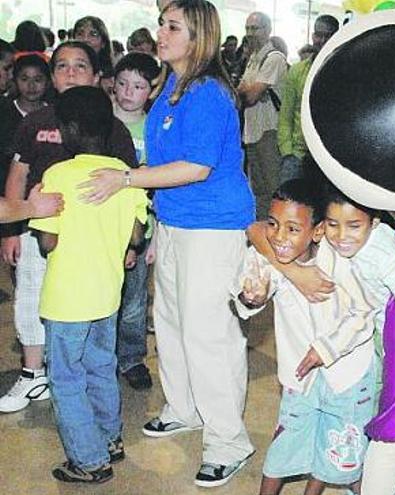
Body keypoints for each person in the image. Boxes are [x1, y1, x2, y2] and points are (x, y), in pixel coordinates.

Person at [78, 0, 256, 487]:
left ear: (197, 35)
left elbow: (196, 168)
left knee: (209, 335)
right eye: (162, 23)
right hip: (178, 222)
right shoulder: (172, 85)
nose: (161, 31)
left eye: (172, 25)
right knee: (171, 322)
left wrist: (126, 180)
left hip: (214, 227)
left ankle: (228, 440)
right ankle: (185, 407)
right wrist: (158, 224)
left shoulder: (210, 93)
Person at [248, 178, 395, 495]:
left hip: (394, 341)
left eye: (354, 226)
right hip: (353, 343)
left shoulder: (384, 255)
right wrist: (295, 273)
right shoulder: (326, 241)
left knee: (370, 427)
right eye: (333, 225)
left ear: (375, 221)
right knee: (343, 429)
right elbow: (256, 231)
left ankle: (375, 481)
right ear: (321, 227)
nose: (342, 237)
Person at [0, 41, 137, 414]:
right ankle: (33, 374)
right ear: (51, 77)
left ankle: (89, 377)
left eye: (81, 66)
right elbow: (19, 173)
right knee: (30, 297)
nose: (71, 72)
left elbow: (131, 185)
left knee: (94, 310)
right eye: (62, 66)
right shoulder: (35, 123)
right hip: (38, 228)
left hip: (94, 242)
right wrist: (12, 229)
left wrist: (130, 244)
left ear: (97, 77)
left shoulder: (114, 130)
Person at [29, 85, 147, 484]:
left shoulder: (57, 175)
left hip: (66, 300)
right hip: (107, 295)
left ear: (69, 129)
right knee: (101, 366)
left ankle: (90, 459)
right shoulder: (123, 178)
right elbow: (135, 237)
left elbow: (48, 241)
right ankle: (111, 438)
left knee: (66, 379)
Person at [236, 179, 378, 495]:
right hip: (299, 374)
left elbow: (363, 314)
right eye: (273, 224)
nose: (279, 236)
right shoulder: (265, 256)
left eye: (292, 229)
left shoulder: (339, 260)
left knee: (337, 445)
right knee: (286, 439)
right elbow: (251, 287)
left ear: (316, 232)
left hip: (348, 374)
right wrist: (252, 297)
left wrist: (324, 350)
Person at [112, 51, 161, 390]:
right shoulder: (101, 122)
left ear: (151, 91)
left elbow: (160, 184)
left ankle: (131, 357)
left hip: (140, 229)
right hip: (101, 228)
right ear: (111, 85)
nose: (129, 92)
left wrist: (153, 236)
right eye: (123, 84)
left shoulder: (155, 128)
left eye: (139, 86)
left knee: (133, 300)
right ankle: (99, 357)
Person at [237, 11, 289, 218]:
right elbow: (238, 93)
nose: (250, 33)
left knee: (272, 187)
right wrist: (249, 90)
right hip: (251, 131)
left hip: (269, 131)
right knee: (257, 188)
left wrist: (249, 90)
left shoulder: (274, 58)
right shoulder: (252, 59)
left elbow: (249, 96)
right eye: (247, 28)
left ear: (268, 30)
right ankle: (262, 230)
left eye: (255, 28)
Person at [277, 15, 338, 182]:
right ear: (313, 36)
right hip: (297, 155)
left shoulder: (344, 72)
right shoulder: (297, 71)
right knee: (290, 207)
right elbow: (286, 115)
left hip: (330, 159)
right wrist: (287, 151)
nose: (323, 40)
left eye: (329, 35)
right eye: (319, 35)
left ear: (337, 36)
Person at [0, 54, 51, 195]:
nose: (31, 86)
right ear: (14, 80)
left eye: (38, 79)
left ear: (48, 81)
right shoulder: (4, 111)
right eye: (24, 79)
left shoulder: (54, 115)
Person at [72, 16, 113, 81]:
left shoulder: (112, 78)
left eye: (93, 34)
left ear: (103, 43)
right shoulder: (65, 71)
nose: (85, 39)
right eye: (80, 34)